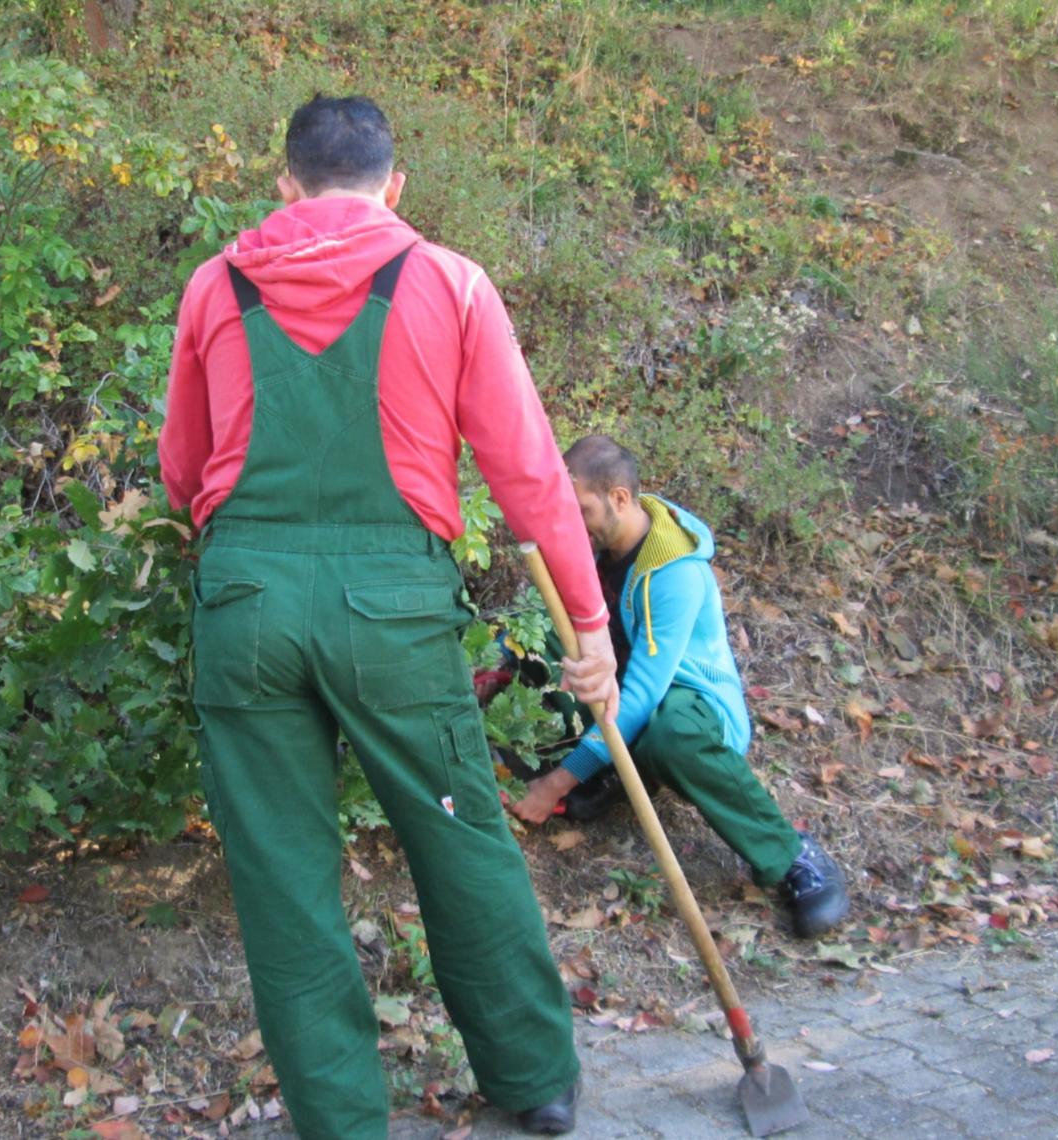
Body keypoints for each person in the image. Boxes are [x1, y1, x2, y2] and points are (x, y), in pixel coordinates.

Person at [160, 96, 617, 1138]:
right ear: (394, 185)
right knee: (460, 838)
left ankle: (340, 1120)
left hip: (249, 604)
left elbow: (184, 467)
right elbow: (529, 475)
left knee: (283, 874)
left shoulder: (215, 286)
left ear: (285, 184)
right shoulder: (449, 283)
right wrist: (588, 623)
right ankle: (534, 1078)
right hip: (394, 616)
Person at [509, 434, 851, 939]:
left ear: (619, 498)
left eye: (581, 510)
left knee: (669, 735)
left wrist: (556, 783)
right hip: (625, 693)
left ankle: (790, 854)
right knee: (532, 652)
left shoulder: (675, 574)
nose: (574, 522)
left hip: (689, 712)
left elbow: (643, 694)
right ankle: (615, 772)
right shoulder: (598, 546)